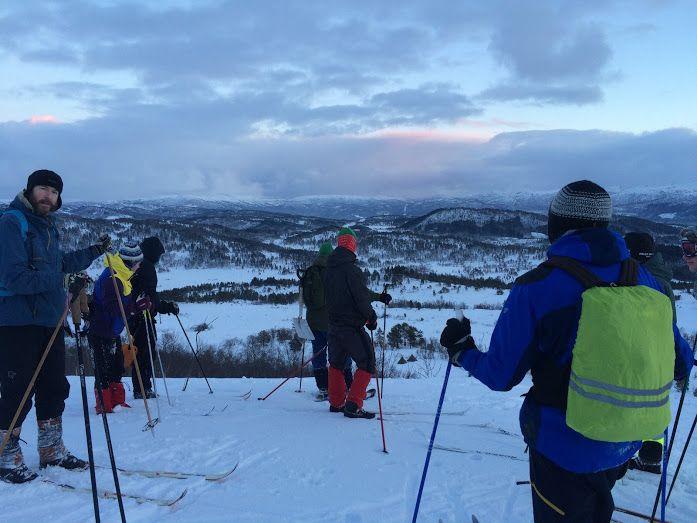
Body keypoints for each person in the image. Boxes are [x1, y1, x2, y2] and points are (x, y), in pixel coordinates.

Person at [439, 181, 693, 522]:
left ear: (556, 224)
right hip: (624, 441)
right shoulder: (646, 281)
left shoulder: (537, 286)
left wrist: (461, 351)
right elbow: (680, 363)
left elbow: (500, 375)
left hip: (563, 447)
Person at [0, 170, 110, 483]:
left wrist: (93, 252)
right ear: (30, 190)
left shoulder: (48, 226)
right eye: (43, 189)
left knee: (54, 387)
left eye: (54, 192)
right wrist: (62, 281)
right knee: (17, 391)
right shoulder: (11, 223)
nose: (49, 196)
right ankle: (5, 456)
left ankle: (51, 451)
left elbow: (58, 264)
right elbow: (14, 278)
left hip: (50, 320)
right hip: (17, 323)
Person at [623, 232, 677, 473]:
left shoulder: (643, 278)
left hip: (642, 350)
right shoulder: (660, 276)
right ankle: (651, 457)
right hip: (660, 353)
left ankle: (625, 453)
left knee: (630, 402)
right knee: (655, 405)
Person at [324, 227, 391, 418]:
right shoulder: (352, 271)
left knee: (336, 364)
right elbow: (361, 298)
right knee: (367, 362)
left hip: (333, 325)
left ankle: (336, 403)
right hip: (350, 326)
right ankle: (353, 405)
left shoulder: (329, 270)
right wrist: (371, 317)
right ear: (352, 245)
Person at [89, 243, 150, 413]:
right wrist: (136, 307)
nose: (139, 266)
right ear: (130, 262)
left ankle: (116, 402)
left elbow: (123, 305)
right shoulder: (113, 278)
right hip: (101, 330)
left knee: (116, 365)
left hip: (112, 330)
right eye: (138, 262)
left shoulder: (123, 276)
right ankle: (104, 403)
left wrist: (137, 305)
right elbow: (114, 308)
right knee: (103, 368)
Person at [300, 241, 354, 401]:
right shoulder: (332, 272)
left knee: (318, 353)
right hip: (330, 321)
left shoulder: (310, 272)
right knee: (341, 352)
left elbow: (303, 298)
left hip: (312, 322)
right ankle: (347, 385)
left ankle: (323, 387)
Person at [128, 236, 178, 399]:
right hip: (143, 316)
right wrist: (166, 307)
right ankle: (143, 389)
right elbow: (151, 297)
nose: (159, 258)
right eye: (159, 255)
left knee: (141, 352)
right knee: (146, 353)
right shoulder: (147, 268)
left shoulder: (137, 264)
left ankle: (141, 388)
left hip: (133, 314)